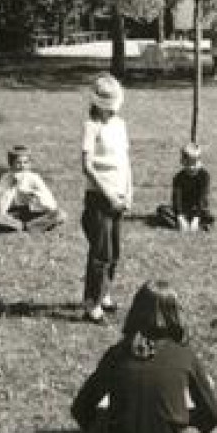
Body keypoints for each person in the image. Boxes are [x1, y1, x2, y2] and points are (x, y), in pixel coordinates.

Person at [71, 280, 217, 433]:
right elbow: (213, 416)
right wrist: (184, 423)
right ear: (174, 314)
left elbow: (81, 409)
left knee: (103, 418)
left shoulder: (116, 354)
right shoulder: (184, 356)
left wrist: (102, 426)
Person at [81, 74, 132, 323]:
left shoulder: (120, 125)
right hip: (99, 198)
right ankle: (91, 302)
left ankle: (105, 293)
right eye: (107, 108)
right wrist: (109, 193)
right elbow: (87, 166)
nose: (111, 113)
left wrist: (128, 190)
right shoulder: (91, 126)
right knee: (100, 252)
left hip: (119, 195)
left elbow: (125, 160)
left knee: (115, 251)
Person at [0, 145, 67, 233]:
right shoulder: (5, 178)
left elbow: (50, 203)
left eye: (25, 163)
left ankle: (30, 226)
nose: (22, 166)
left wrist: (34, 197)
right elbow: (0, 206)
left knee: (60, 214)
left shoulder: (34, 178)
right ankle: (20, 226)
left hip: (33, 211)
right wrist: (12, 187)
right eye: (18, 163)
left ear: (29, 164)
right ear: (11, 164)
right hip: (13, 213)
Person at [155, 142, 215, 232]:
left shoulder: (204, 176)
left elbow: (202, 198)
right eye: (188, 164)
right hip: (183, 209)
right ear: (182, 162)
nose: (191, 167)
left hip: (198, 209)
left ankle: (199, 225)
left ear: (200, 162)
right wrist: (180, 216)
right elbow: (176, 199)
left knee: (209, 216)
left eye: (194, 164)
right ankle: (181, 224)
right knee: (161, 210)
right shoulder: (178, 178)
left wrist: (196, 218)